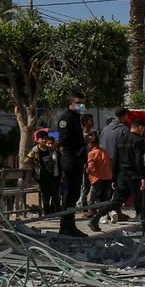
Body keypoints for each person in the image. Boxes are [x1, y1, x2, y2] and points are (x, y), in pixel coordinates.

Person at [55, 92, 89, 237]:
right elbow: (64, 140)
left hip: (77, 159)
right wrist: (83, 142)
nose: (81, 105)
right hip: (70, 159)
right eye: (79, 102)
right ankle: (65, 226)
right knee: (69, 194)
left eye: (83, 102)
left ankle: (70, 224)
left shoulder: (76, 118)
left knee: (74, 194)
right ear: (71, 103)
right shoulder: (66, 118)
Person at [115, 117, 145, 227]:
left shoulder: (121, 139)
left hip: (122, 174)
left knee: (119, 199)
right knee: (143, 201)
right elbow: (138, 160)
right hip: (134, 175)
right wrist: (144, 176)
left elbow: (115, 159)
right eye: (143, 129)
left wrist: (114, 177)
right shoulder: (139, 140)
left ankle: (98, 217)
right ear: (140, 128)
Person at [99, 107, 131, 223]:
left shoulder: (105, 129)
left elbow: (101, 145)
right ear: (124, 116)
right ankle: (112, 210)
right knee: (119, 189)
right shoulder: (124, 130)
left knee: (107, 188)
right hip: (119, 164)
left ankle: (109, 212)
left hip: (104, 163)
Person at [26, 129, 62, 216]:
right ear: (38, 140)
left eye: (45, 138)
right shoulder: (35, 150)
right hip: (41, 176)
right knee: (45, 194)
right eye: (42, 139)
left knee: (54, 193)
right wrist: (35, 167)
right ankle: (46, 212)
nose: (44, 140)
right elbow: (27, 160)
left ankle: (56, 211)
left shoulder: (49, 150)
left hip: (50, 174)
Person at [85, 132, 113, 231]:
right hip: (107, 177)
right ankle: (111, 212)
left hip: (97, 178)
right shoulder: (105, 151)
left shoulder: (91, 154)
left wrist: (87, 170)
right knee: (106, 197)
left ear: (91, 144)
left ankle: (103, 216)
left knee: (99, 199)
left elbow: (91, 168)